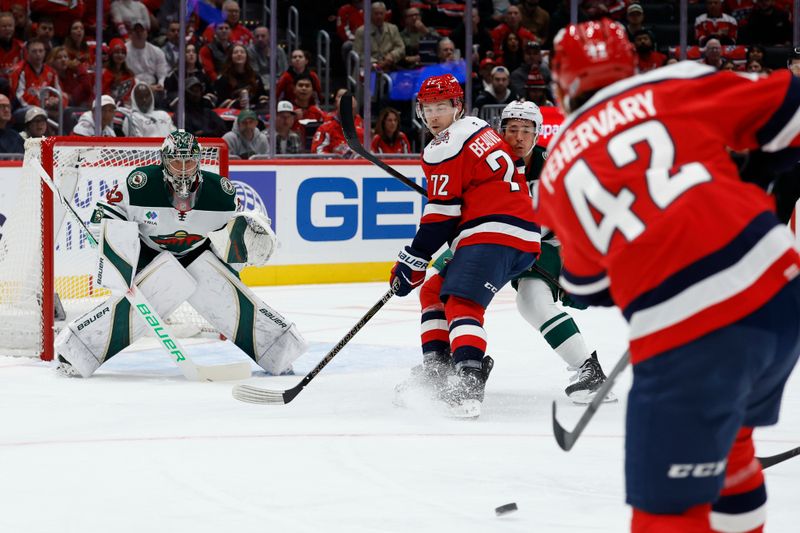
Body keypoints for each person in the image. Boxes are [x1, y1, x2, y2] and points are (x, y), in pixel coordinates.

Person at [537, 19, 800, 533]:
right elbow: (790, 106)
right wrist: (761, 167)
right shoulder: (672, 82)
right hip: (778, 290)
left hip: (692, 332)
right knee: (730, 450)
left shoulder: (555, 170)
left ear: (561, 83)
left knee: (665, 516)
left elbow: (587, 286)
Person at [54, 130, 307, 379]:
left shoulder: (221, 192)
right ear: (163, 161)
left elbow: (233, 237)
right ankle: (75, 353)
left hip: (197, 253)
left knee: (228, 298)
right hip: (149, 256)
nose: (183, 168)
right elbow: (106, 214)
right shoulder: (140, 183)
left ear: (199, 161)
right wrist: (114, 248)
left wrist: (243, 252)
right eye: (176, 161)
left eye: (189, 161)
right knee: (134, 308)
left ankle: (280, 352)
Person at [391, 74, 539, 418]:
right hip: (517, 235)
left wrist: (410, 261)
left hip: (493, 232)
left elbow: (441, 215)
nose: (433, 116)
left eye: (442, 107)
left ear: (458, 107)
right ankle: (437, 369)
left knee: (461, 302)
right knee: (433, 291)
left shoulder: (444, 144)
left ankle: (469, 378)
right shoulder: (481, 129)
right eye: (427, 108)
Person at [354, 2, 405, 72]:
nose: (379, 16)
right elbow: (357, 54)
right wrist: (376, 63)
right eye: (376, 14)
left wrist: (392, 56)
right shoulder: (361, 31)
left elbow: (401, 48)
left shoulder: (393, 28)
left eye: (381, 13)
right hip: (368, 69)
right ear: (370, 14)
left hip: (389, 67)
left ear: (385, 14)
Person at [311, 88, 363, 157]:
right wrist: (336, 161)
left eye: (350, 108)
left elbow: (371, 153)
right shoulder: (325, 129)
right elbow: (316, 152)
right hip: (332, 166)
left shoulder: (363, 131)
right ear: (337, 108)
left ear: (355, 111)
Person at [102, 38, 136, 106]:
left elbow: (133, 93)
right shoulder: (104, 73)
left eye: (123, 53)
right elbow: (102, 94)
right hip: (107, 108)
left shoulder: (129, 74)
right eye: (117, 52)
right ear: (111, 54)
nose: (120, 55)